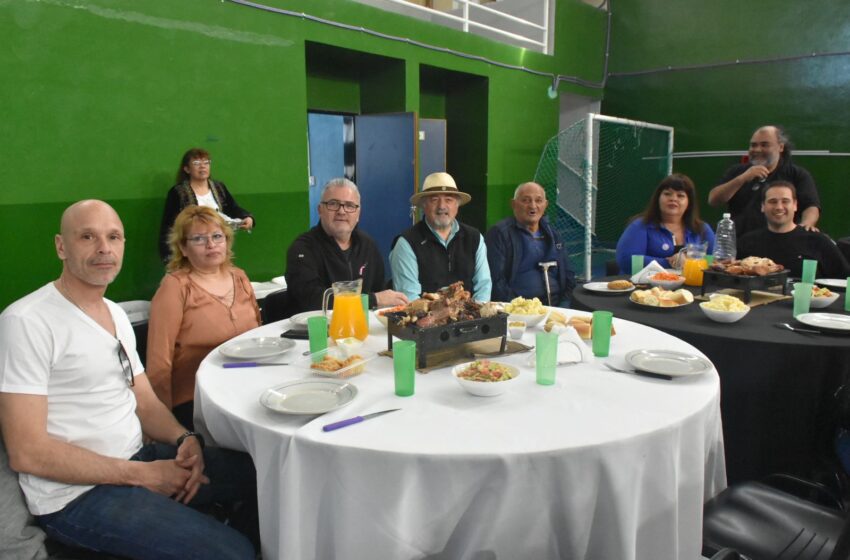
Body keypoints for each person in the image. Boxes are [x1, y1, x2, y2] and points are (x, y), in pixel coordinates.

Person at [0, 200, 257, 560]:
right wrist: (141, 475)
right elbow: (28, 452)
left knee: (265, 476)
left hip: (139, 458)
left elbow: (144, 399)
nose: (104, 248)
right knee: (233, 553)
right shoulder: (26, 321)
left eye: (114, 237)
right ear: (61, 246)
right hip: (77, 496)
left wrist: (185, 440)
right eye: (87, 236)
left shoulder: (115, 315)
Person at [148, 205, 261, 430]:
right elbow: (159, 363)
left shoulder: (239, 277)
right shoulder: (175, 286)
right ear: (183, 247)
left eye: (217, 236)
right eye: (199, 239)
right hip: (196, 397)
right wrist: (163, 424)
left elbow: (259, 337)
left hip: (246, 387)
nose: (211, 244)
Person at [285, 178, 408, 314]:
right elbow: (313, 302)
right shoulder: (303, 249)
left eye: (349, 205)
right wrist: (373, 300)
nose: (341, 211)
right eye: (333, 204)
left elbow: (378, 291)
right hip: (315, 331)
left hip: (361, 329)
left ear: (358, 214)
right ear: (320, 210)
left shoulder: (368, 245)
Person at [390, 172, 492, 301]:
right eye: (434, 200)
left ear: (457, 205)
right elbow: (410, 299)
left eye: (449, 200)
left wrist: (475, 316)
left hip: (470, 318)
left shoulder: (475, 238)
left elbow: (483, 287)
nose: (442, 206)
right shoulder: (407, 243)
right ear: (423, 205)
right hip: (424, 318)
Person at [708, 125, 821, 236]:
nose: (757, 150)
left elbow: (811, 206)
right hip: (739, 243)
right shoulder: (737, 171)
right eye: (753, 145)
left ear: (781, 147)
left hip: (780, 241)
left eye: (764, 145)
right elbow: (713, 199)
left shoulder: (797, 174)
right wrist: (742, 178)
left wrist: (806, 225)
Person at [485, 182, 576, 306]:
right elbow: (496, 281)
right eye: (526, 200)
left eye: (538, 201)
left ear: (546, 205)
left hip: (556, 305)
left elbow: (568, 273)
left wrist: (565, 302)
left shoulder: (553, 233)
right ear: (513, 204)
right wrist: (519, 308)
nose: (533, 206)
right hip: (519, 309)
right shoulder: (499, 234)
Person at [158, 148, 254, 262]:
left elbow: (232, 208)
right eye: (196, 163)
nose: (202, 166)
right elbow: (168, 226)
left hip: (216, 245)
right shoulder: (178, 192)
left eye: (206, 162)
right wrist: (169, 255)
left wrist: (247, 217)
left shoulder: (219, 187)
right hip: (192, 248)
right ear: (187, 169)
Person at [738, 181, 849, 278]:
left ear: (795, 205)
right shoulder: (747, 242)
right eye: (773, 201)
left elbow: (845, 280)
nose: (779, 207)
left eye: (785, 201)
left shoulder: (818, 241)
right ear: (762, 206)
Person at [616, 173, 715, 273]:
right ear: (658, 198)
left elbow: (714, 262)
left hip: (691, 286)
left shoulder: (703, 229)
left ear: (689, 203)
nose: (673, 199)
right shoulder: (640, 225)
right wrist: (671, 262)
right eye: (667, 194)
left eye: (680, 195)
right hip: (645, 287)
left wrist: (688, 261)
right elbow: (628, 261)